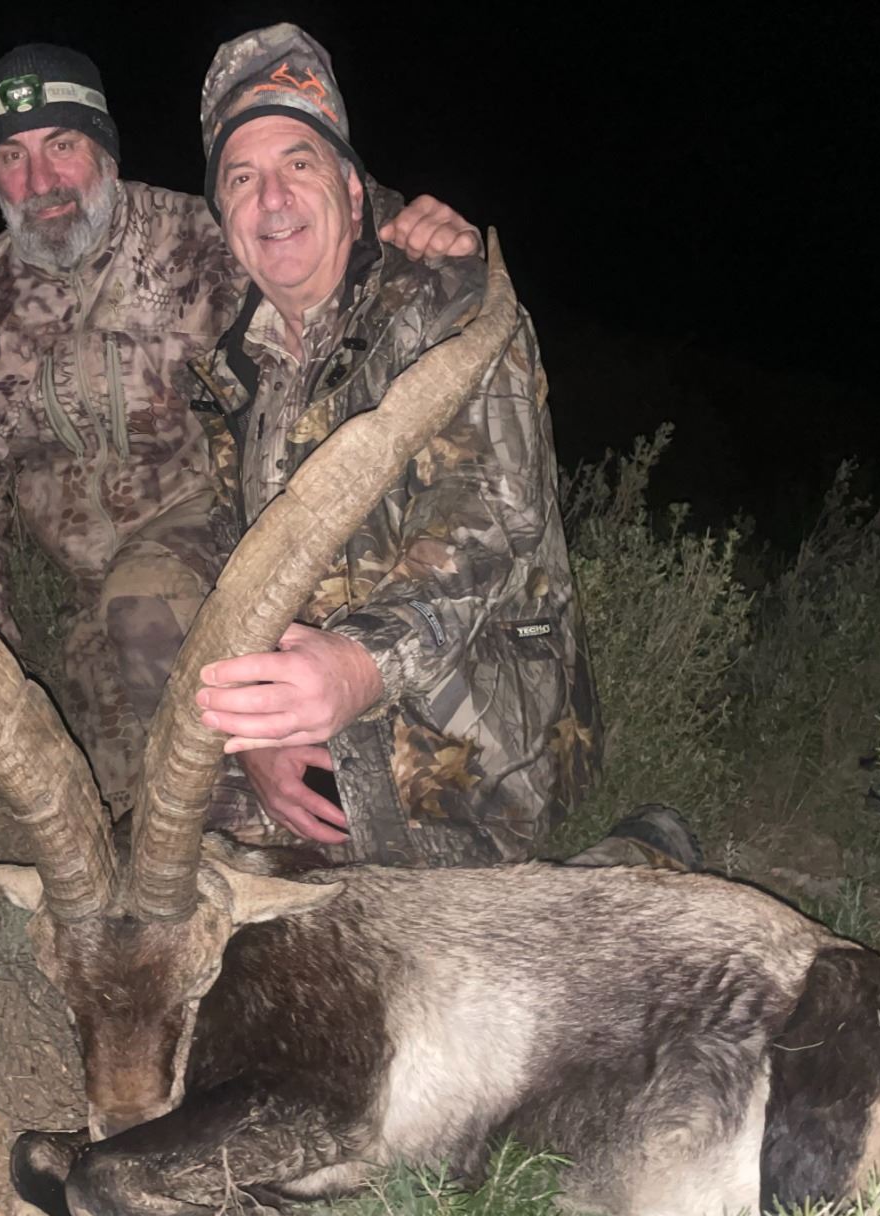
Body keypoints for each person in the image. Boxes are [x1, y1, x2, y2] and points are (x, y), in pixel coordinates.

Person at [0, 43, 477, 818]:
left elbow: (303, 228)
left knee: (200, 767)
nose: (41, 182)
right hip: (97, 597)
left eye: (63, 145)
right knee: (109, 799)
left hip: (219, 546)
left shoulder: (193, 237)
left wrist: (404, 221)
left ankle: (266, 817)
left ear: (105, 151)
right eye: (12, 157)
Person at [189, 24, 606, 867]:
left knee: (384, 925)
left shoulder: (454, 304)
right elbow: (238, 580)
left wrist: (354, 670)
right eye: (242, 178)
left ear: (352, 189)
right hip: (323, 704)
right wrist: (259, 739)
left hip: (475, 721)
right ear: (224, 218)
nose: (273, 199)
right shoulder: (232, 372)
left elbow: (487, 527)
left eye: (298, 163)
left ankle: (636, 856)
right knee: (190, 864)